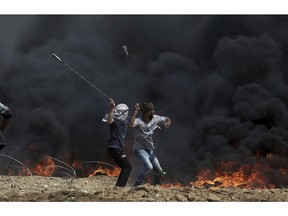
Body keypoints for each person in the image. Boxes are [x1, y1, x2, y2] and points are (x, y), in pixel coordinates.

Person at [129, 100, 171, 187]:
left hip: (149, 149)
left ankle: (157, 186)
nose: (154, 111)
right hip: (139, 149)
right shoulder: (138, 121)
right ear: (148, 112)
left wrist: (167, 122)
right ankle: (135, 187)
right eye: (152, 110)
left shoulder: (155, 118)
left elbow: (167, 118)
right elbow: (130, 124)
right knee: (149, 167)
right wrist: (136, 112)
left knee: (159, 171)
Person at [102, 98, 132, 187]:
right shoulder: (114, 121)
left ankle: (119, 187)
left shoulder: (126, 120)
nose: (127, 114)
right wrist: (112, 108)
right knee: (127, 167)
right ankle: (119, 188)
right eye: (125, 112)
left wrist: (137, 111)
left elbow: (134, 120)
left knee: (127, 167)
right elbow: (109, 120)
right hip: (113, 148)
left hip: (120, 149)